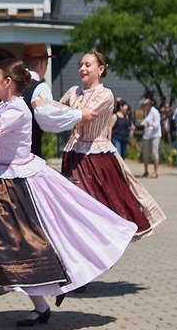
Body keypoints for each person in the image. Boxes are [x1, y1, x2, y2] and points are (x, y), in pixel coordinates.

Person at [0, 58, 136, 326]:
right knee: (5, 245)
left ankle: (49, 286)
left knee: (21, 243)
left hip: (19, 185)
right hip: (3, 183)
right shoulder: (4, 106)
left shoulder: (16, 110)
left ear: (8, 83)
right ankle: (40, 305)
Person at [33, 50, 164, 239]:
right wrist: (47, 105)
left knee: (102, 202)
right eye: (81, 65)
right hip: (73, 153)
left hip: (96, 156)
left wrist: (50, 104)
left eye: (88, 65)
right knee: (74, 201)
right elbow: (58, 112)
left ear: (100, 69)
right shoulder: (73, 91)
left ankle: (100, 239)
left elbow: (84, 114)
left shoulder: (105, 94)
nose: (82, 68)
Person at [21, 43, 55, 157]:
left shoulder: (12, 85)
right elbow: (49, 118)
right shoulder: (41, 88)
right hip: (30, 157)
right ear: (42, 64)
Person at [140, 98, 161, 178]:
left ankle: (155, 172)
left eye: (143, 106)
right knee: (145, 154)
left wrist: (150, 124)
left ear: (147, 105)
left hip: (154, 135)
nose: (142, 107)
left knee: (154, 153)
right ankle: (146, 171)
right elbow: (145, 121)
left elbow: (157, 125)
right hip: (147, 135)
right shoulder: (146, 112)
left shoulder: (155, 112)